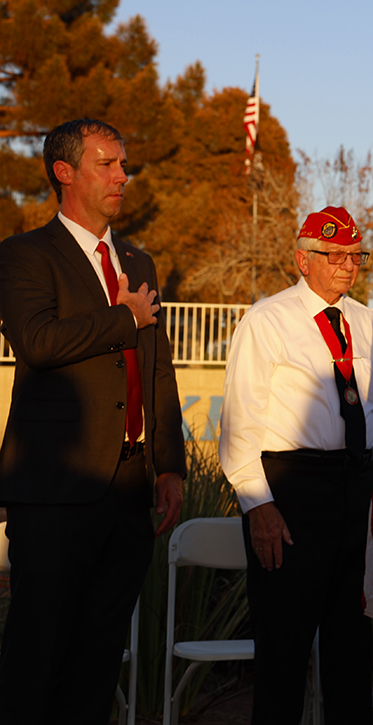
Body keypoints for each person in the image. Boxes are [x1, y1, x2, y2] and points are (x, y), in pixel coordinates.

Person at [0, 118, 186, 723]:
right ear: (64, 172)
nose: (122, 176)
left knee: (100, 659)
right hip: (55, 493)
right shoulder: (26, 255)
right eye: (106, 164)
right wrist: (123, 318)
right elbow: (37, 342)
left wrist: (170, 463)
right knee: (37, 656)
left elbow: (157, 369)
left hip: (130, 492)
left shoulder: (139, 261)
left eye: (123, 164)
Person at [219, 206, 373, 724]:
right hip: (293, 491)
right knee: (283, 649)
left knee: (353, 647)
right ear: (302, 259)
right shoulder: (267, 321)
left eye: (354, 256)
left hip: (357, 486)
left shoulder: (370, 324)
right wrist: (258, 505)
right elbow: (240, 425)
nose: (347, 266)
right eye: (333, 255)